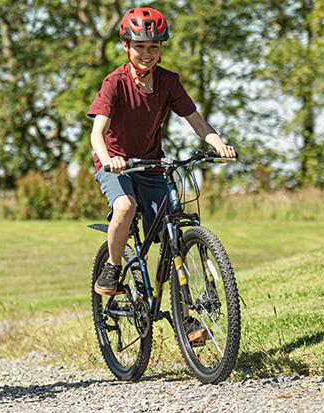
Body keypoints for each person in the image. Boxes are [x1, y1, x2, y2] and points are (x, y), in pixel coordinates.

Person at [88, 7, 237, 295]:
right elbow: (97, 132)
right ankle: (113, 268)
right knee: (125, 206)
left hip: (152, 164)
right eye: (140, 46)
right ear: (126, 45)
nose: (147, 53)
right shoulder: (114, 83)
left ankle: (184, 311)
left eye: (153, 46)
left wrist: (216, 142)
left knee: (169, 232)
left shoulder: (168, 82)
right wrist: (108, 160)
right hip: (118, 164)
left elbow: (197, 121)